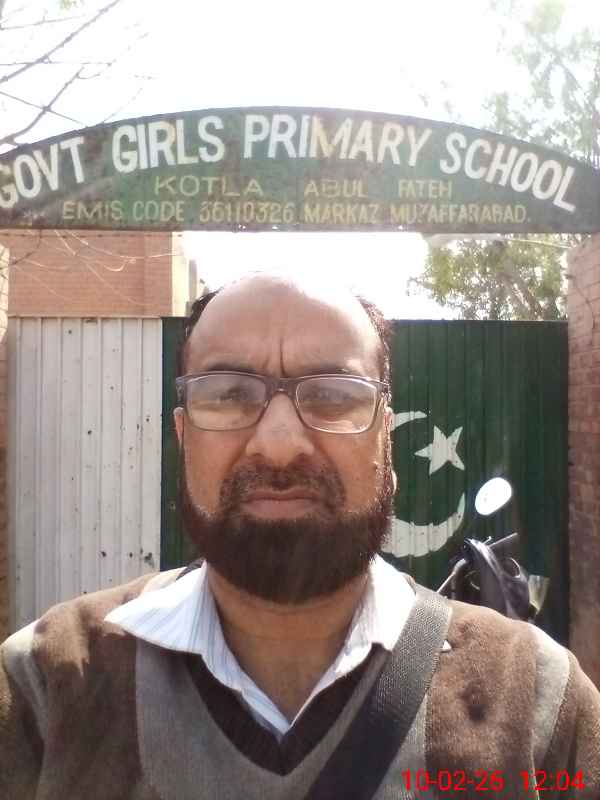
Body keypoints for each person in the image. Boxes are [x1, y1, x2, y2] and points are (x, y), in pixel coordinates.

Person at [1, 272, 599, 800]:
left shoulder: (540, 700)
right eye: (229, 394)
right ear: (184, 438)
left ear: (386, 440)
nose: (280, 445)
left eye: (334, 396)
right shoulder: (43, 687)